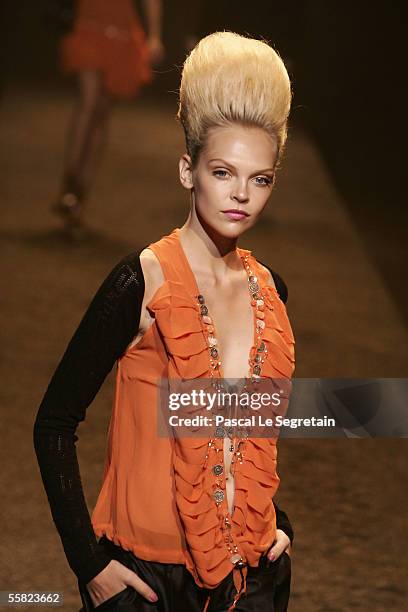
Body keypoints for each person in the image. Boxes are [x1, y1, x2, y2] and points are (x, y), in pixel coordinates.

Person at [34, 31, 295, 611]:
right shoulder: (140, 282)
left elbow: (250, 436)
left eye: (261, 179)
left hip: (251, 579)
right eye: (223, 172)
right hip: (145, 580)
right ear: (187, 170)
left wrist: (279, 527)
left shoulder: (270, 291)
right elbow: (54, 422)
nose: (241, 197)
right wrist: (90, 564)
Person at [52, 0, 164, 231]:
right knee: (89, 101)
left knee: (100, 113)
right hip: (88, 22)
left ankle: (79, 194)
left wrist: (154, 35)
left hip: (121, 30)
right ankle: (70, 183)